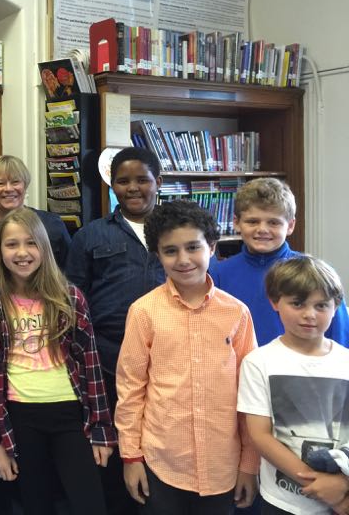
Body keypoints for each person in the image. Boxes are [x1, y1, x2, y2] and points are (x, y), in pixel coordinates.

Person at [116, 200, 259, 515]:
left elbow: (252, 394)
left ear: (212, 247)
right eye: (170, 251)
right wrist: (131, 457)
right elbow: (131, 389)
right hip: (162, 462)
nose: (183, 260)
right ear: (158, 255)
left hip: (223, 463)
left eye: (193, 247)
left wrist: (250, 462)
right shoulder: (144, 312)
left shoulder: (237, 313)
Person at [0, 207, 116, 515]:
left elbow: (91, 366)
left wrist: (102, 428)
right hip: (20, 416)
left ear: (44, 247)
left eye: (30, 243)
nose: (22, 253)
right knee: (35, 503)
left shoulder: (70, 298)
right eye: (12, 244)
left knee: (89, 502)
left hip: (71, 414)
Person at [66, 146, 166, 514]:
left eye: (142, 179)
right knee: (112, 446)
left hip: (168, 362)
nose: (133, 188)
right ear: (112, 185)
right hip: (109, 359)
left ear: (159, 182)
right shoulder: (90, 237)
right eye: (123, 181)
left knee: (159, 444)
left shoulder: (177, 230)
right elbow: (74, 301)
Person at [237, 255, 349, 515]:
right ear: (275, 302)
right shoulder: (258, 362)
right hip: (282, 502)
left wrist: (341, 485)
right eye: (298, 303)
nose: (310, 314)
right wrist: (324, 488)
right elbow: (260, 436)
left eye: (321, 305)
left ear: (336, 306)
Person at [211, 177, 349, 347]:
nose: (262, 229)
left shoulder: (315, 273)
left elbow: (340, 337)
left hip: (301, 369)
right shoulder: (219, 274)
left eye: (274, 222)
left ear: (290, 226)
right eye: (252, 221)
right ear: (236, 223)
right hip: (240, 368)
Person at [0, 155, 71, 301]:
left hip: (44, 313)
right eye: (0, 183)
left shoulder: (51, 225)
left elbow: (69, 274)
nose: (8, 189)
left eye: (15, 182)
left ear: (25, 186)